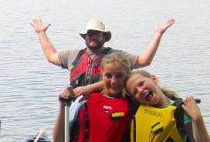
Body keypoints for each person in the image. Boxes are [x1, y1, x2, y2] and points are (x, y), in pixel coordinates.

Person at [30, 17, 175, 96]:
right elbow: (51, 56)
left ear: (104, 37)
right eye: (89, 34)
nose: (91, 37)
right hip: (78, 110)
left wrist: (158, 34)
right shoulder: (73, 55)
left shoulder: (116, 56)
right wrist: (41, 33)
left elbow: (144, 60)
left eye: (96, 34)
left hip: (107, 108)